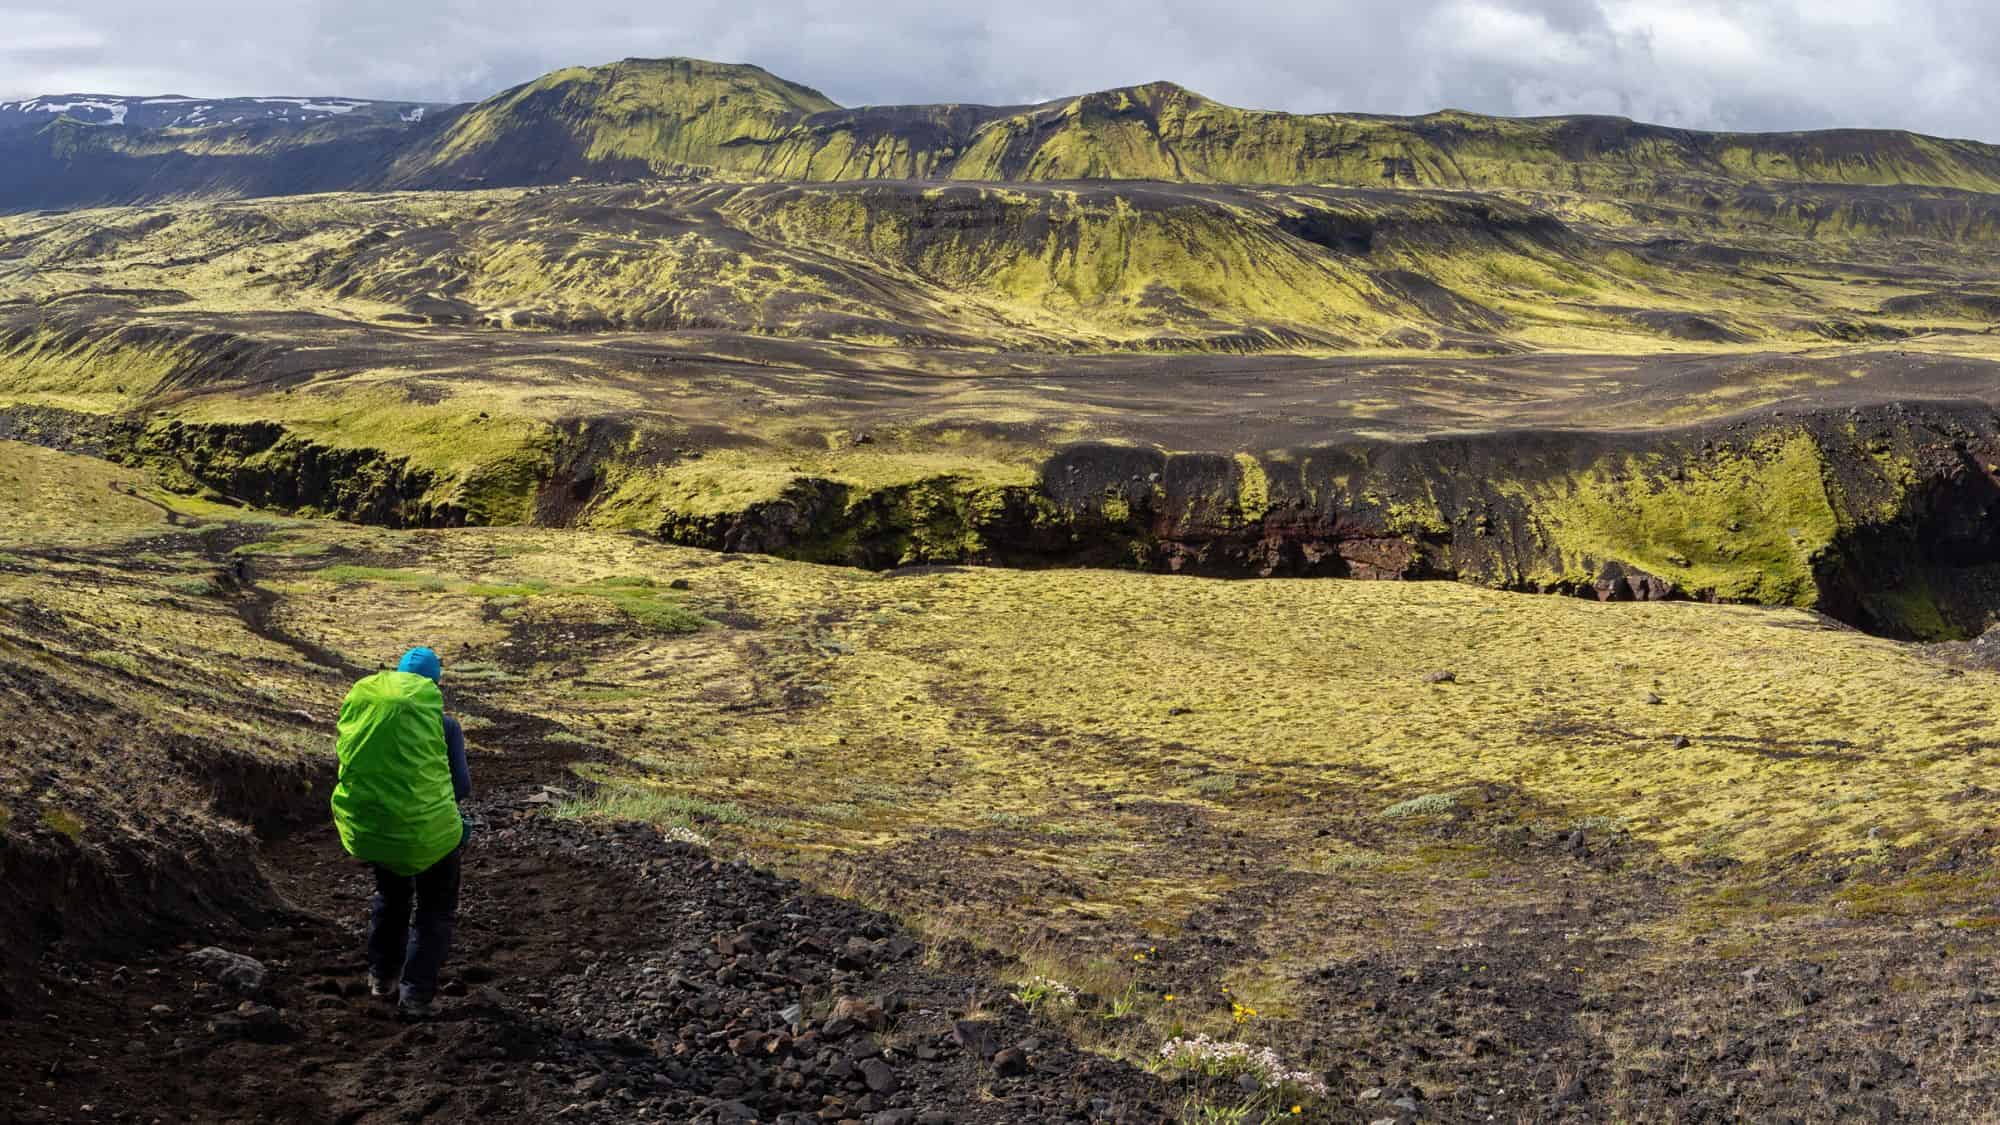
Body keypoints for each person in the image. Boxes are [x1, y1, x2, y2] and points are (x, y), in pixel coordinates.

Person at [330, 646, 471, 1018]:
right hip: (434, 837)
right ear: (435, 683)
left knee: (390, 899)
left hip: (383, 833)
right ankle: (416, 995)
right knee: (434, 912)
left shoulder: (370, 719)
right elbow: (461, 787)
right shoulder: (446, 726)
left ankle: (382, 978)